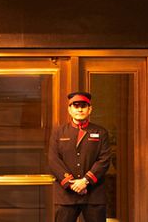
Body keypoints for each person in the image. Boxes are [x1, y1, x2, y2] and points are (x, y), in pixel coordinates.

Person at [48, 90, 114, 222]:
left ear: (90, 109)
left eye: (83, 106)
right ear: (69, 109)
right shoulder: (58, 132)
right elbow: (53, 159)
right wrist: (71, 183)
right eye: (76, 106)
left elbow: (104, 160)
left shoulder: (101, 132)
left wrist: (85, 181)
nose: (79, 109)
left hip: (94, 194)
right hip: (66, 194)